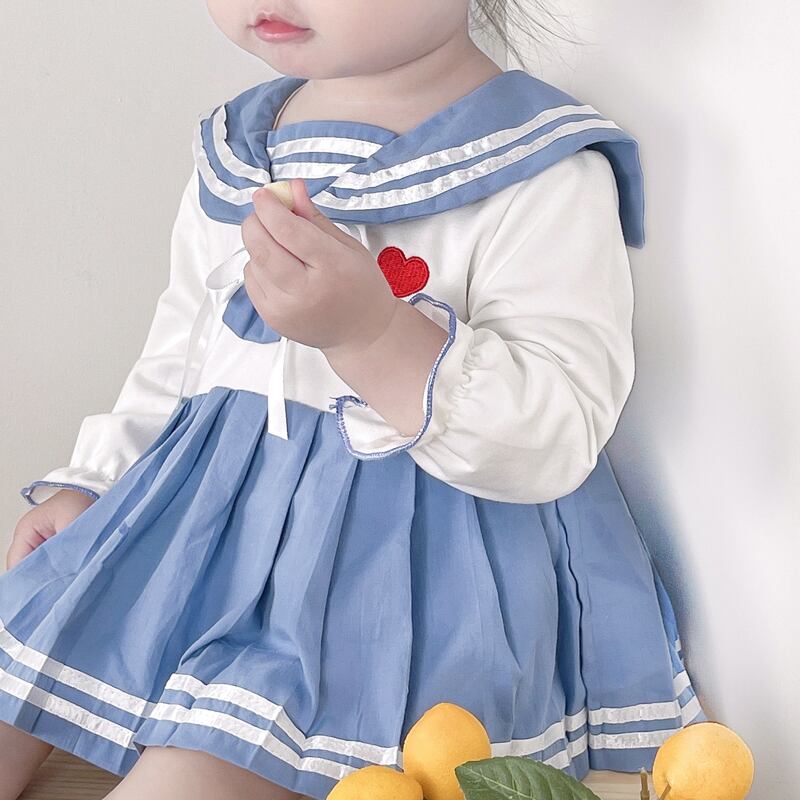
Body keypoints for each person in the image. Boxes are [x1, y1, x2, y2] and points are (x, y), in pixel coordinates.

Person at [0, 0, 707, 798]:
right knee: (31, 641)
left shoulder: (533, 168)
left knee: (201, 764)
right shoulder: (244, 150)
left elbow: (554, 432)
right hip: (207, 532)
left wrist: (375, 335)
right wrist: (98, 481)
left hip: (396, 576)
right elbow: (179, 357)